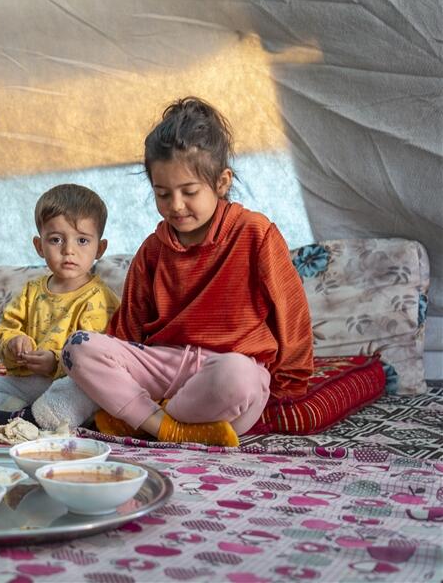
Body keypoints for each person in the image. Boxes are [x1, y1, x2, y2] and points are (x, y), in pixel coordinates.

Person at [61, 97, 314, 447]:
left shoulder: (255, 234)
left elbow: (292, 316)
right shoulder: (152, 250)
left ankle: (138, 418)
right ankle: (166, 427)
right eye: (162, 194)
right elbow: (127, 331)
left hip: (225, 376)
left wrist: (290, 387)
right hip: (164, 365)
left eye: (189, 192)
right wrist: (111, 365)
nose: (175, 206)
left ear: (222, 182)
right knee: (78, 347)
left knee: (238, 376)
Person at [0, 184, 121, 430]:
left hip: (71, 382)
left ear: (100, 248)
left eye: (82, 240)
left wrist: (56, 362)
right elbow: (6, 330)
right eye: (56, 239)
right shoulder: (31, 291)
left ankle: (39, 416)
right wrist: (14, 342)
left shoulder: (100, 299)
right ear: (39, 245)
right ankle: (25, 415)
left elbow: (98, 356)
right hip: (28, 381)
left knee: (87, 390)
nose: (68, 250)